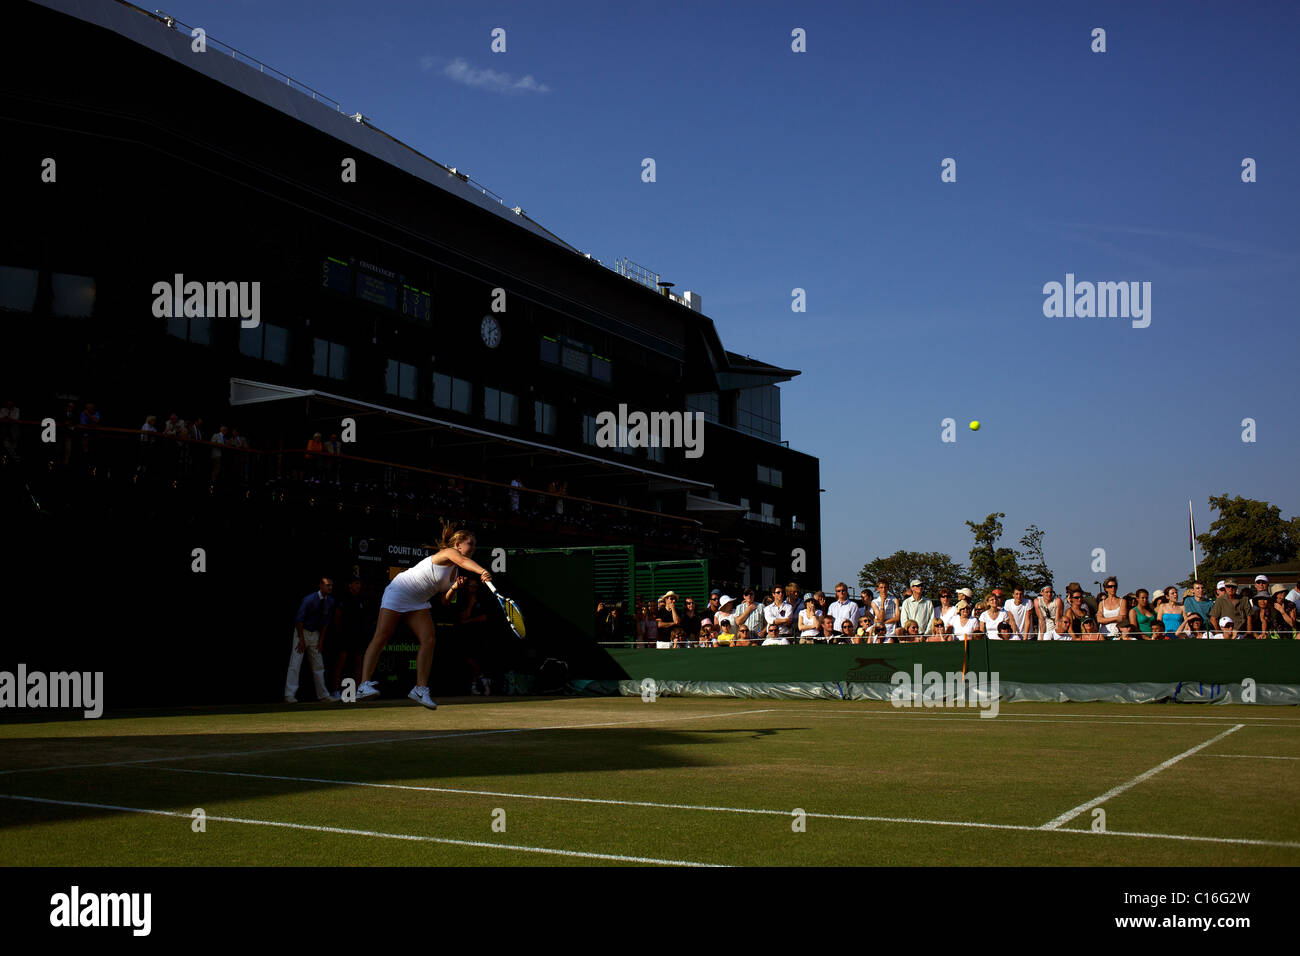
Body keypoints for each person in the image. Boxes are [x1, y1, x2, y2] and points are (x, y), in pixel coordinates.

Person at [353, 522, 492, 709]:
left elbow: (445, 601)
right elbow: (465, 562)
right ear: (458, 545)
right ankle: (363, 685)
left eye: (474, 544)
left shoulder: (455, 572)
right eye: (470, 543)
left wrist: (453, 588)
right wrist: (482, 571)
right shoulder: (449, 553)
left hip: (418, 601)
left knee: (429, 640)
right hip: (400, 590)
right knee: (382, 635)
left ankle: (420, 689)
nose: (473, 547)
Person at [285, 577, 340, 703]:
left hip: (315, 634)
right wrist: (301, 640)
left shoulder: (330, 601)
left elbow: (326, 623)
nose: (330, 588)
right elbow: (299, 620)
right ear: (321, 585)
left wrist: (320, 641)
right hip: (302, 632)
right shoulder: (309, 599)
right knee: (295, 664)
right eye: (327, 585)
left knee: (319, 665)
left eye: (331, 585)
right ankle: (289, 695)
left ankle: (323, 695)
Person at [332, 578, 372, 694]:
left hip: (358, 637)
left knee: (358, 663)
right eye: (356, 583)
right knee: (340, 662)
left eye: (360, 583)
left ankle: (358, 691)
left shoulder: (361, 600)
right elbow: (337, 617)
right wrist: (339, 633)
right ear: (350, 585)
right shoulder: (343, 599)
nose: (359, 586)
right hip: (345, 636)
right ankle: (336, 691)